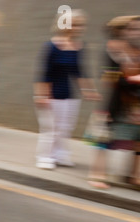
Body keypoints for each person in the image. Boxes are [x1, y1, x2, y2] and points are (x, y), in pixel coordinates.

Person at [34, 9, 101, 171]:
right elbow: (44, 73)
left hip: (69, 95)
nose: (79, 28)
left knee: (65, 128)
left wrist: (89, 90)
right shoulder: (51, 46)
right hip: (51, 94)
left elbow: (80, 72)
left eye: (81, 25)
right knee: (50, 129)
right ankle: (44, 157)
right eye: (75, 24)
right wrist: (42, 95)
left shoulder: (79, 47)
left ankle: (60, 154)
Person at [107, 16, 140, 188]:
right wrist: (134, 78)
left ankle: (135, 175)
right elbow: (110, 78)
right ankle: (109, 173)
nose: (137, 33)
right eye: (133, 29)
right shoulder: (113, 50)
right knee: (118, 139)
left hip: (136, 102)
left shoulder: (136, 51)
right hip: (121, 103)